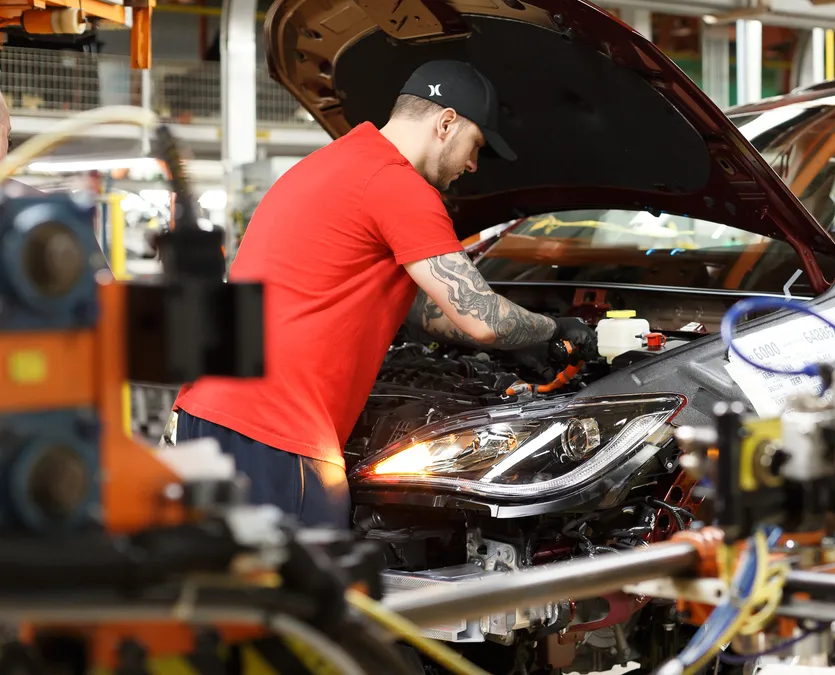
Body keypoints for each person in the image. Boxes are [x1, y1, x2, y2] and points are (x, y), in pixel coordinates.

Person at [172, 61, 597, 527]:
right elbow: (485, 318)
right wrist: (556, 330)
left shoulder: (335, 162)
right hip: (276, 433)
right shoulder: (398, 185)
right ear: (446, 122)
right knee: (306, 593)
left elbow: (427, 309)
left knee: (221, 593)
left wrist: (521, 344)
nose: (473, 166)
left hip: (208, 415)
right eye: (476, 147)